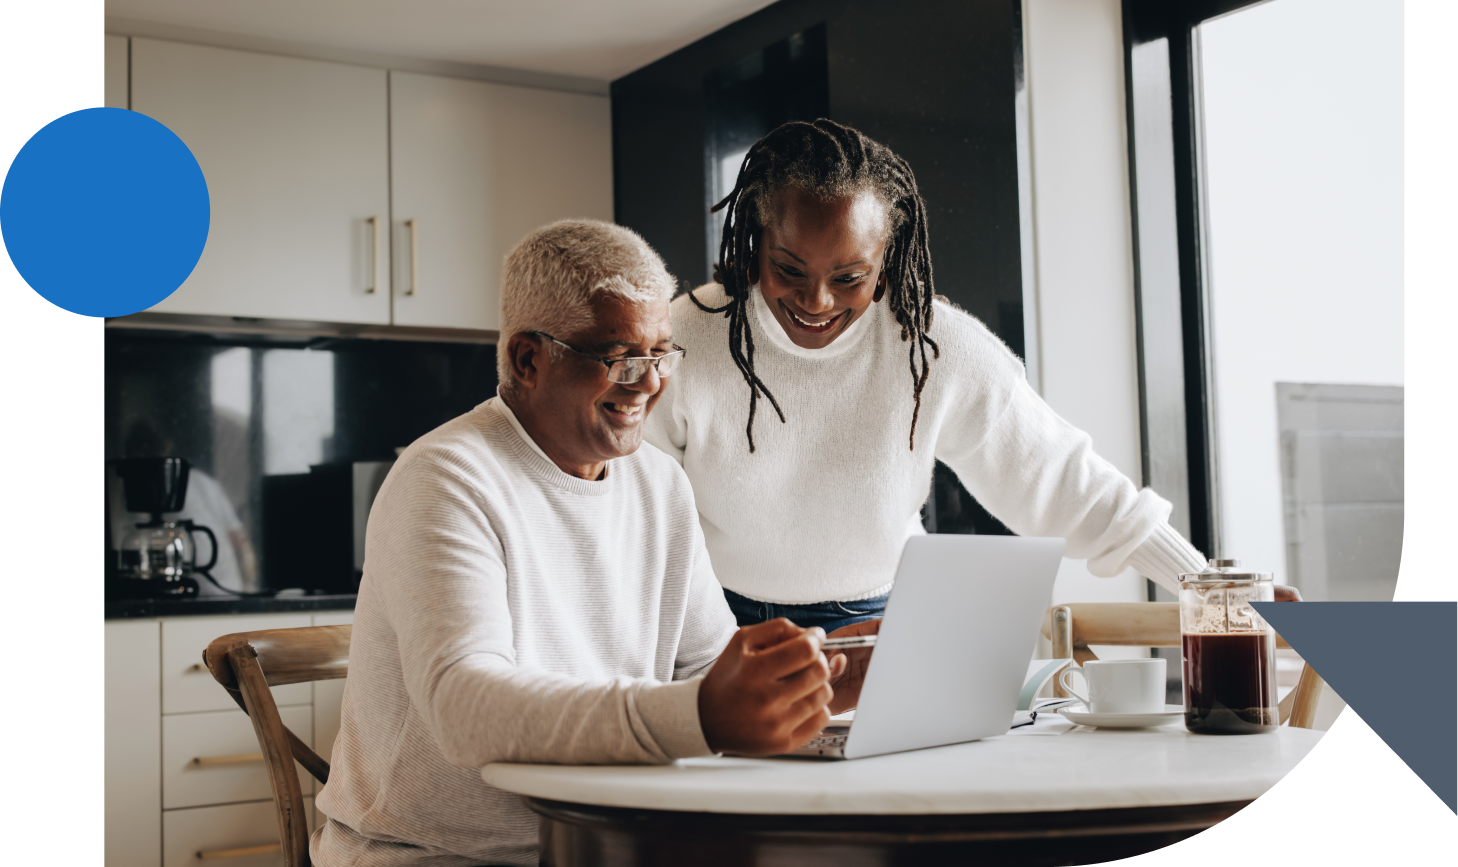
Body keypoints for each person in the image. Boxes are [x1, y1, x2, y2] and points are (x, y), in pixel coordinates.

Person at [312, 219, 857, 867]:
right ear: (528, 358)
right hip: (439, 855)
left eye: (661, 354)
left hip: (609, 844)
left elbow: (706, 672)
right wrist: (703, 715)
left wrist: (824, 672)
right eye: (619, 356)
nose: (649, 381)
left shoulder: (660, 484)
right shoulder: (447, 477)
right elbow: (465, 707)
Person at [644, 119, 1299, 635]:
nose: (816, 301)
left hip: (883, 622)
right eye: (790, 269)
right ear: (754, 239)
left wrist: (1209, 585)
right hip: (718, 622)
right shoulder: (683, 341)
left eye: (849, 278)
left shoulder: (932, 346)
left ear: (886, 258)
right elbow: (631, 516)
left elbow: (1063, 481)